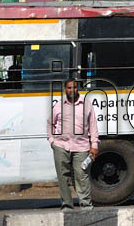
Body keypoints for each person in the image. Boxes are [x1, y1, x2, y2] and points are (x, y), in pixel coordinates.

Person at [47, 79, 99, 210]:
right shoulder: (59, 105)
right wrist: (52, 141)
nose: (72, 90)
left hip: (81, 147)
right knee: (63, 177)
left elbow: (93, 126)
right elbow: (50, 123)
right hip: (61, 146)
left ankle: (86, 205)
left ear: (78, 89)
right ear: (65, 89)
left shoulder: (86, 105)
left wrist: (94, 146)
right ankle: (67, 206)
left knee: (82, 176)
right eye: (69, 88)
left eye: (74, 87)